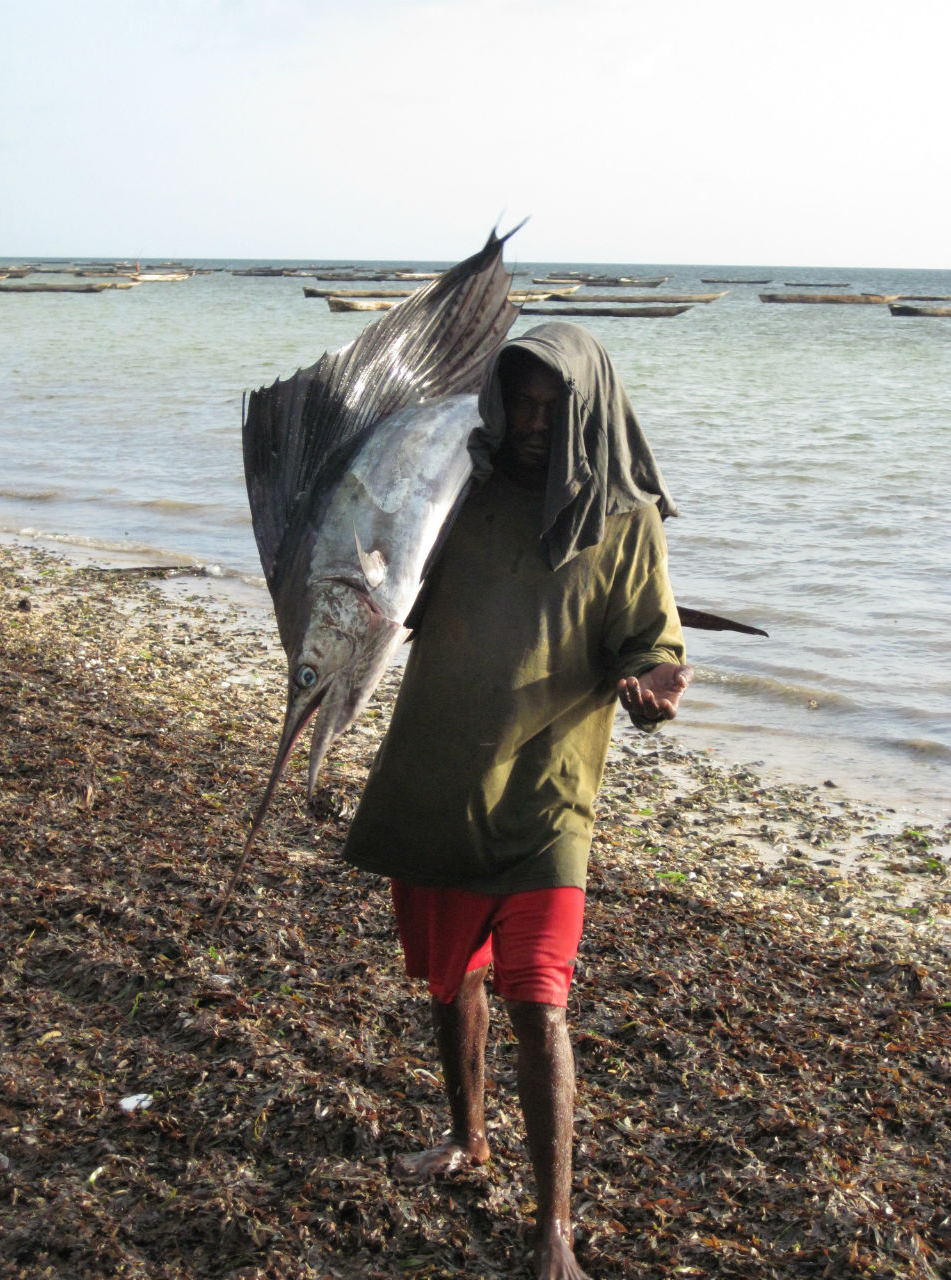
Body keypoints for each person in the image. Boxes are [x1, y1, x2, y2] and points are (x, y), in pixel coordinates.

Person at [343, 322, 692, 1280]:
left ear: (590, 410)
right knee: (450, 982)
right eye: (520, 403)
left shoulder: (625, 519)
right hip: (438, 776)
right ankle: (467, 1139)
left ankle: (555, 1229)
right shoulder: (459, 492)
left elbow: (652, 638)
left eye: (553, 406)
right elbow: (389, 584)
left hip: (548, 797)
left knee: (539, 1002)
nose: (533, 423)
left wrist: (658, 682)